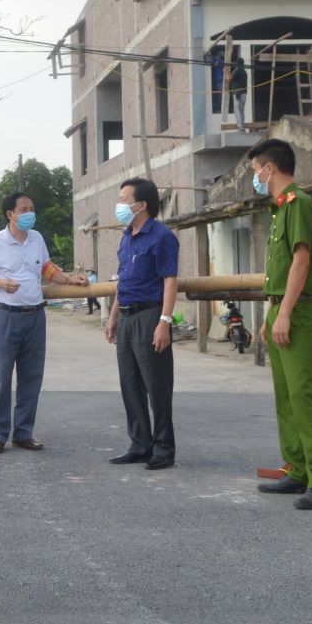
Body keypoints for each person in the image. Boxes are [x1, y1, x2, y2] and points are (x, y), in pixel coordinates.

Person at [248, 138, 312, 510]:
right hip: (281, 307)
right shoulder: (279, 209)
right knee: (285, 397)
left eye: (256, 171)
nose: (255, 178)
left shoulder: (298, 203)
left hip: (299, 310)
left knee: (303, 395)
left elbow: (302, 261)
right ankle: (298, 470)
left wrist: (284, 312)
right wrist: (272, 314)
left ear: (270, 168)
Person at [0, 193, 88, 454]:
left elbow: (47, 268)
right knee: (2, 378)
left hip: (35, 316)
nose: (30, 213)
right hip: (6, 315)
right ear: (10, 215)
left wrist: (71, 279)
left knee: (31, 378)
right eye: (24, 209)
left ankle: (23, 434)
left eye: (32, 208)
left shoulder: (36, 238)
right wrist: (1, 283)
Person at [104, 178, 179, 470]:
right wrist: (113, 317)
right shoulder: (127, 236)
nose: (120, 205)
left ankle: (164, 449)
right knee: (130, 384)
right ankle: (140, 444)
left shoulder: (162, 237)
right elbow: (122, 281)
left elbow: (170, 280)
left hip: (150, 315)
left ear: (142, 204)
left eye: (124, 199)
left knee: (156, 385)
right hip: (125, 316)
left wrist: (164, 321)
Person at [227, 50, 248, 131]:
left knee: (237, 110)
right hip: (244, 94)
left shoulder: (237, 70)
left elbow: (229, 78)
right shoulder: (244, 71)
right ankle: (242, 126)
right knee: (241, 110)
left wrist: (226, 71)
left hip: (237, 94)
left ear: (237, 63)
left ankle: (241, 127)